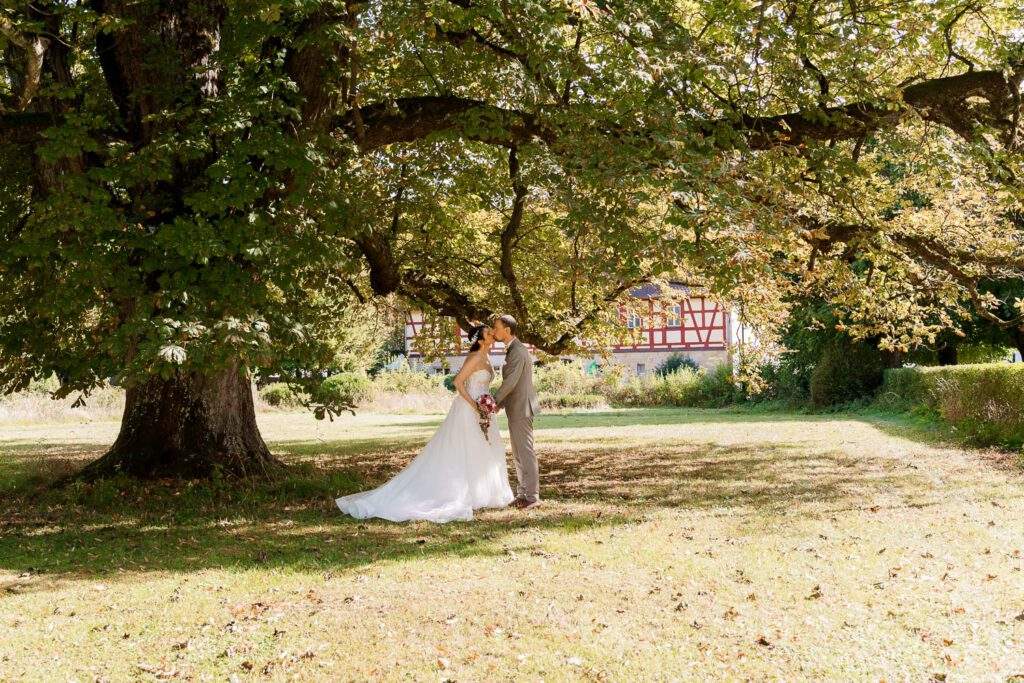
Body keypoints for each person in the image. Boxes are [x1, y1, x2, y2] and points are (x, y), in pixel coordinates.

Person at [335, 325, 513, 522]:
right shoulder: (475, 357)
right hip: (468, 409)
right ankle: (462, 493)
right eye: (489, 333)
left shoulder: (487, 357)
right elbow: (458, 382)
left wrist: (486, 405)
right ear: (480, 340)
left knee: (483, 447)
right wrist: (474, 405)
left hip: (483, 410)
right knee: (467, 447)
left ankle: (483, 492)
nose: (493, 334)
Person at [491, 314, 541, 509]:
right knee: (518, 453)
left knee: (525, 452)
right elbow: (514, 383)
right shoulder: (513, 349)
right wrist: (501, 404)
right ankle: (522, 494)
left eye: (496, 328)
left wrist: (494, 401)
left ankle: (532, 497)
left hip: (522, 407)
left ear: (507, 330)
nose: (494, 331)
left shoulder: (518, 351)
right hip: (516, 406)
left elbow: (510, 382)